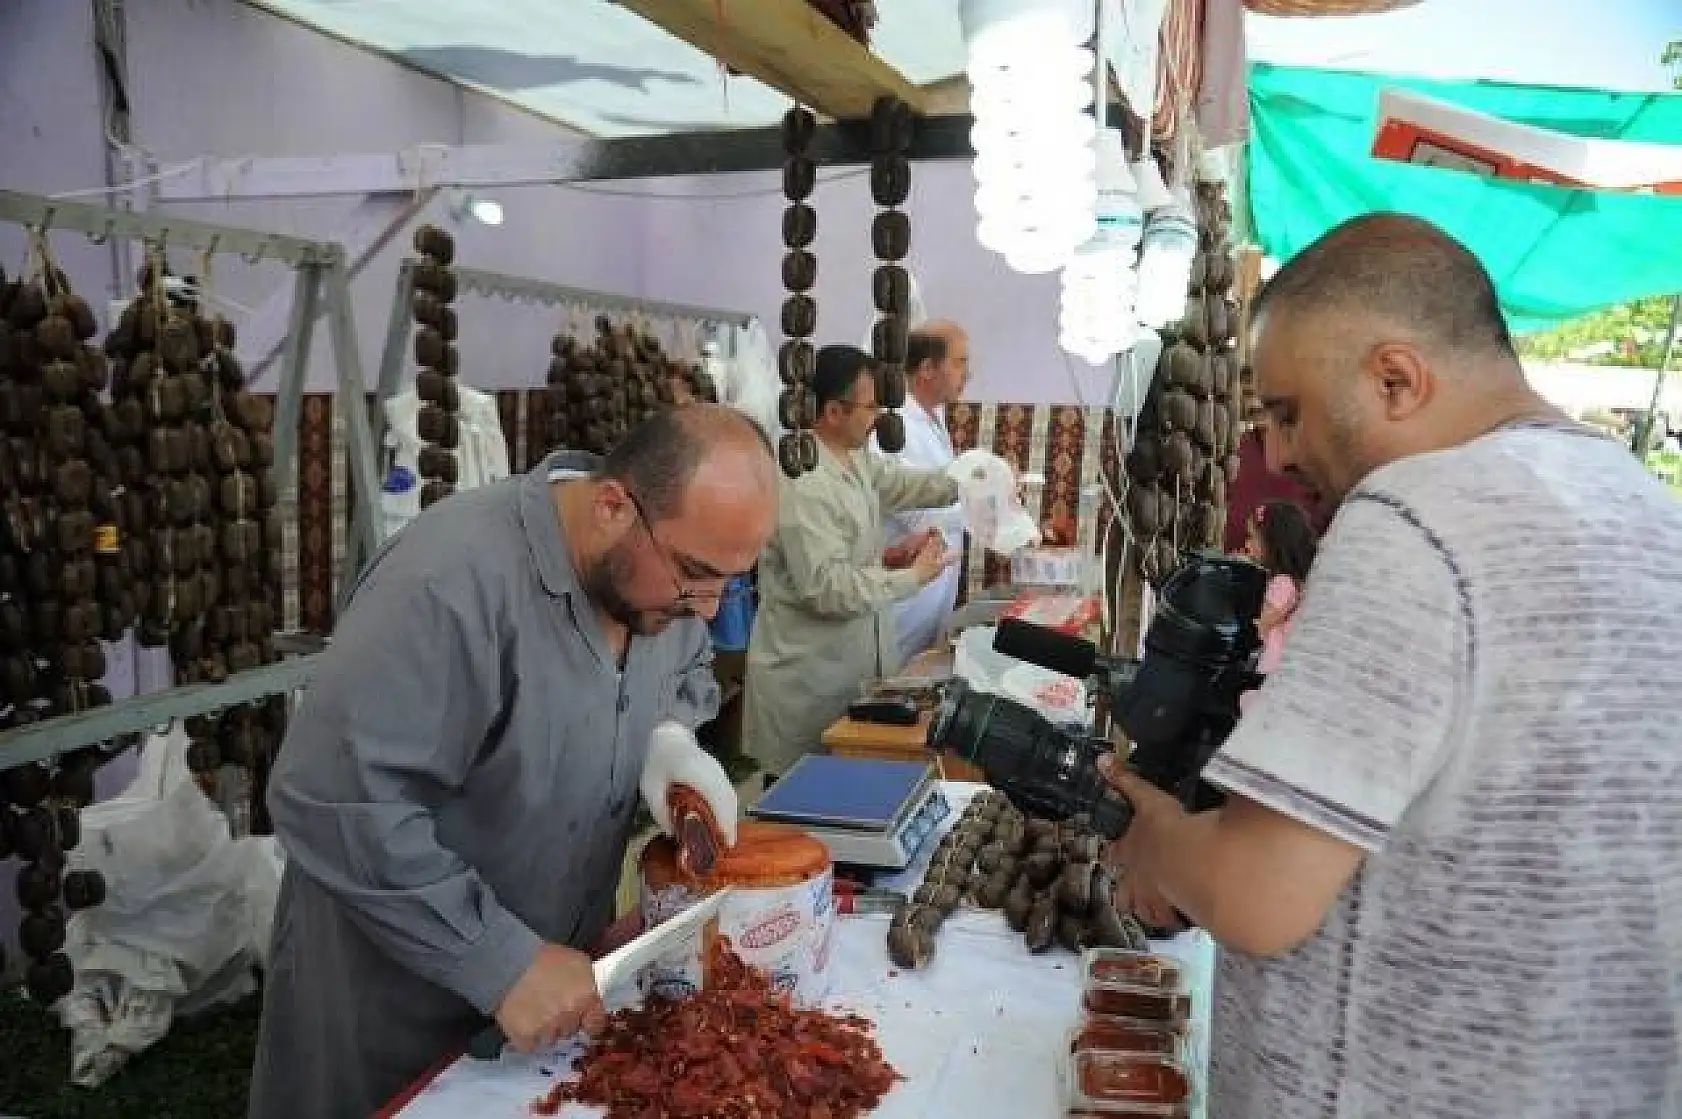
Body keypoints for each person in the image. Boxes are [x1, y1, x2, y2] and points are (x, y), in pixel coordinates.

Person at [1100, 213, 1682, 1118]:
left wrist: (1157, 839)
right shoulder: (1648, 513)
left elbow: (1259, 896)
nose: (1279, 454)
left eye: (1287, 413)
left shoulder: (1415, 515)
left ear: (1396, 377)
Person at [248, 405, 779, 1119]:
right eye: (694, 573)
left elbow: (684, 676)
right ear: (612, 505)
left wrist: (669, 739)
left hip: (548, 1006)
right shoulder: (449, 583)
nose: (708, 607)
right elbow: (332, 798)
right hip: (391, 1011)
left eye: (731, 582)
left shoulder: (656, 587)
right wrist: (500, 959)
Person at [743, 345, 961, 780]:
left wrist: (972, 480)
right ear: (833, 411)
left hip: (853, 668)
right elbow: (826, 588)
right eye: (870, 405)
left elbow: (903, 486)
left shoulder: (856, 457)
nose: (879, 415)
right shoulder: (802, 478)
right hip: (809, 680)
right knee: (804, 809)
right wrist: (912, 578)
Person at [871, 320, 972, 670]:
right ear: (927, 368)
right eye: (960, 362)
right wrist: (984, 502)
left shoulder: (933, 419)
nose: (967, 374)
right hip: (902, 601)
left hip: (931, 598)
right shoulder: (895, 428)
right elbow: (916, 513)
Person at [1239, 498, 1316, 679]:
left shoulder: (1281, 583)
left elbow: (1263, 624)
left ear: (1272, 543)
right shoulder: (1296, 582)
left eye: (1252, 537)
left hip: (1271, 662)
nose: (1247, 544)